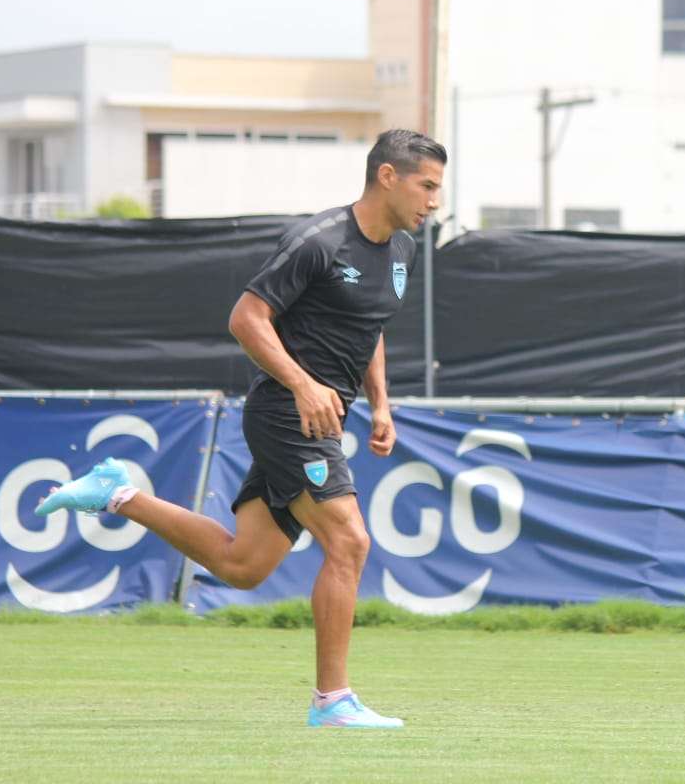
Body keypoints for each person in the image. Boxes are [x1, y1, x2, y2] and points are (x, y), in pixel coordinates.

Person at [37, 128, 446, 723]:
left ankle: (117, 493)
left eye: (438, 188)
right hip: (286, 413)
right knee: (350, 541)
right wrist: (303, 383)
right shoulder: (320, 240)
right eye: (426, 185)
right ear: (388, 176)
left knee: (242, 567)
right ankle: (332, 701)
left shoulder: (402, 250)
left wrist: (381, 403)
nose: (434, 200)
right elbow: (246, 318)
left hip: (322, 418)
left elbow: (370, 325)